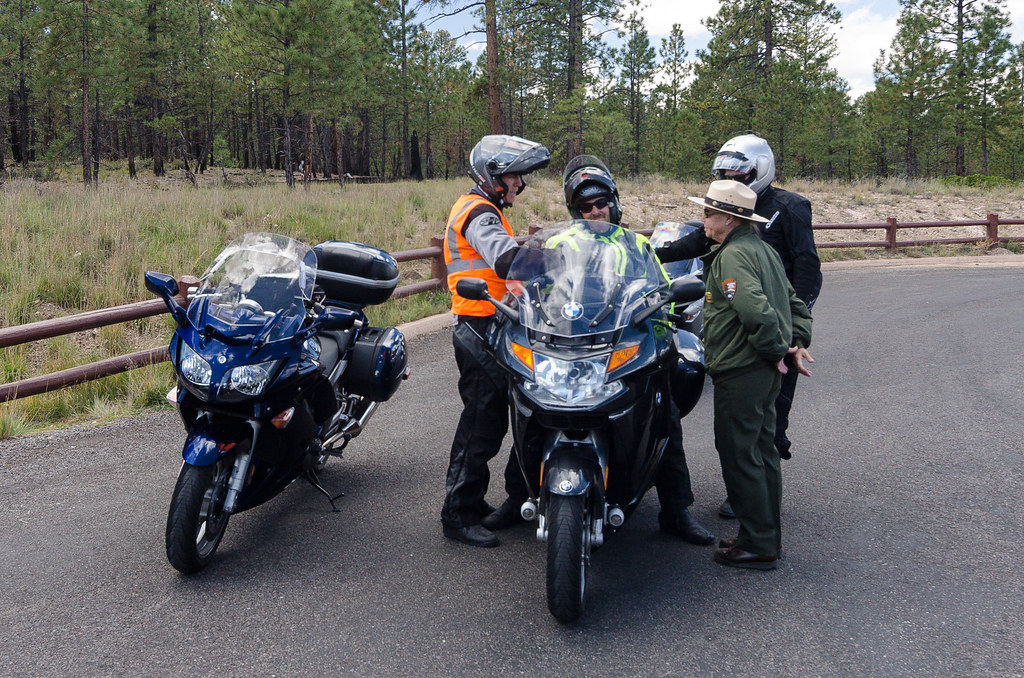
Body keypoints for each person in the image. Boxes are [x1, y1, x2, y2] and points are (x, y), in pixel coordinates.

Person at [483, 155, 715, 546]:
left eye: (601, 203)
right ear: (575, 211)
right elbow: (531, 287)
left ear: (614, 202)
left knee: (663, 414)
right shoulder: (557, 243)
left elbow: (661, 294)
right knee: (531, 410)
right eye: (586, 206)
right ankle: (516, 497)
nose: (595, 211)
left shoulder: (638, 247)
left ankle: (677, 510)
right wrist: (520, 307)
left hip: (620, 341)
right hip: (562, 342)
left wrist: (662, 317)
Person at [656, 133, 822, 518]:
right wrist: (648, 252)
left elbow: (807, 271)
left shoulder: (791, 207)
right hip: (747, 329)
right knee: (745, 426)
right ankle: (755, 506)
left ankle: (758, 508)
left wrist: (793, 336)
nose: (731, 177)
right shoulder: (726, 210)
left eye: (737, 172)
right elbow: (696, 241)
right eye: (724, 172)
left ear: (758, 170)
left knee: (771, 420)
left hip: (773, 329)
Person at [689, 179, 813, 570]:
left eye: (708, 212)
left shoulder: (733, 256)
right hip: (761, 370)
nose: (703, 218)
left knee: (740, 454)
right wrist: (794, 342)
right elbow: (794, 303)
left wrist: (777, 349)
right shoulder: (762, 249)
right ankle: (763, 536)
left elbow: (756, 310)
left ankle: (757, 545)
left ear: (728, 217)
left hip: (742, 369)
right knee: (763, 452)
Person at [441, 134, 550, 548]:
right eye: (515, 176)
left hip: (492, 321)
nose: (520, 184)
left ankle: (473, 501)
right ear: (494, 176)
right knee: (481, 421)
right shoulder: (479, 213)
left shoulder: (484, 209)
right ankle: (457, 513)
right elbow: (505, 260)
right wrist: (554, 256)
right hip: (477, 325)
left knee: (495, 418)